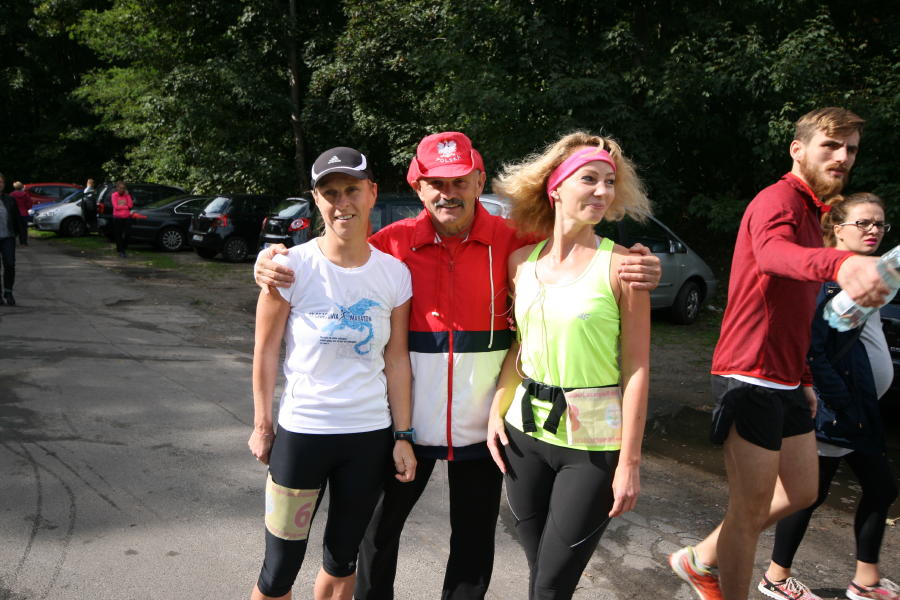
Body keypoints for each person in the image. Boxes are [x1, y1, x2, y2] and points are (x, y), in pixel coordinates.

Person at [253, 131, 663, 600]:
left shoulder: (515, 241)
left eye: (459, 182)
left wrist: (640, 262)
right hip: (405, 427)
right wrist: (268, 261)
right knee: (377, 536)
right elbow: (336, 254)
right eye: (436, 183)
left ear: (479, 182)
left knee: (473, 543)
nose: (448, 193)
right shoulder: (391, 244)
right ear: (418, 187)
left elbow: (574, 245)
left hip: (483, 426)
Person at [668, 106, 891, 600]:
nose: (842, 157)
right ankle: (717, 576)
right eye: (830, 145)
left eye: (851, 149)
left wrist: (805, 378)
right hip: (749, 374)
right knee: (747, 511)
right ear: (798, 149)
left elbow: (797, 309)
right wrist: (841, 262)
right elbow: (773, 255)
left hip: (787, 379)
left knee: (804, 491)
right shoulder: (778, 199)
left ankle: (699, 557)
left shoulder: (814, 212)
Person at [247, 146, 417, 600]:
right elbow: (265, 351)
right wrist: (263, 425)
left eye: (352, 190)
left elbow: (396, 359)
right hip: (303, 436)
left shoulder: (394, 274)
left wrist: (402, 435)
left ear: (372, 193)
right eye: (330, 193)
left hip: (367, 440)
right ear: (316, 200)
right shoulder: (289, 267)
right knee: (278, 570)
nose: (342, 202)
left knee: (342, 561)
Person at [486, 133, 651, 599]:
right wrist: (495, 411)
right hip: (523, 437)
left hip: (593, 448)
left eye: (609, 182)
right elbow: (520, 349)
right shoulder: (520, 263)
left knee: (551, 585)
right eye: (589, 179)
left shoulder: (623, 267)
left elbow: (637, 369)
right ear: (555, 187)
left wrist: (630, 463)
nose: (602, 191)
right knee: (539, 571)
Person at [757, 193, 899, 600]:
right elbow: (813, 351)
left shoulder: (868, 273)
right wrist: (842, 404)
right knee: (808, 494)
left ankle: (864, 580)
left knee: (875, 490)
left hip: (859, 408)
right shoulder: (830, 280)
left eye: (879, 224)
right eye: (863, 223)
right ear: (837, 228)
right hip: (839, 411)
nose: (873, 230)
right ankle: (772, 574)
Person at [0, 173, 21, 305]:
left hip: (7, 237)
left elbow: (17, 218)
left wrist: (21, 237)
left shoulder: (9, 199)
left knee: (9, 264)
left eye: (1, 182)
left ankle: (8, 292)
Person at [110, 180, 133, 257]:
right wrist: (126, 207)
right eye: (120, 188)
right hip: (117, 217)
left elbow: (130, 205)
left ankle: (122, 248)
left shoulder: (127, 195)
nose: (121, 190)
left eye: (123, 188)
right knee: (118, 234)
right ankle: (121, 251)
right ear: (117, 188)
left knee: (128, 234)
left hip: (127, 217)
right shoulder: (114, 195)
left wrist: (128, 195)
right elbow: (116, 207)